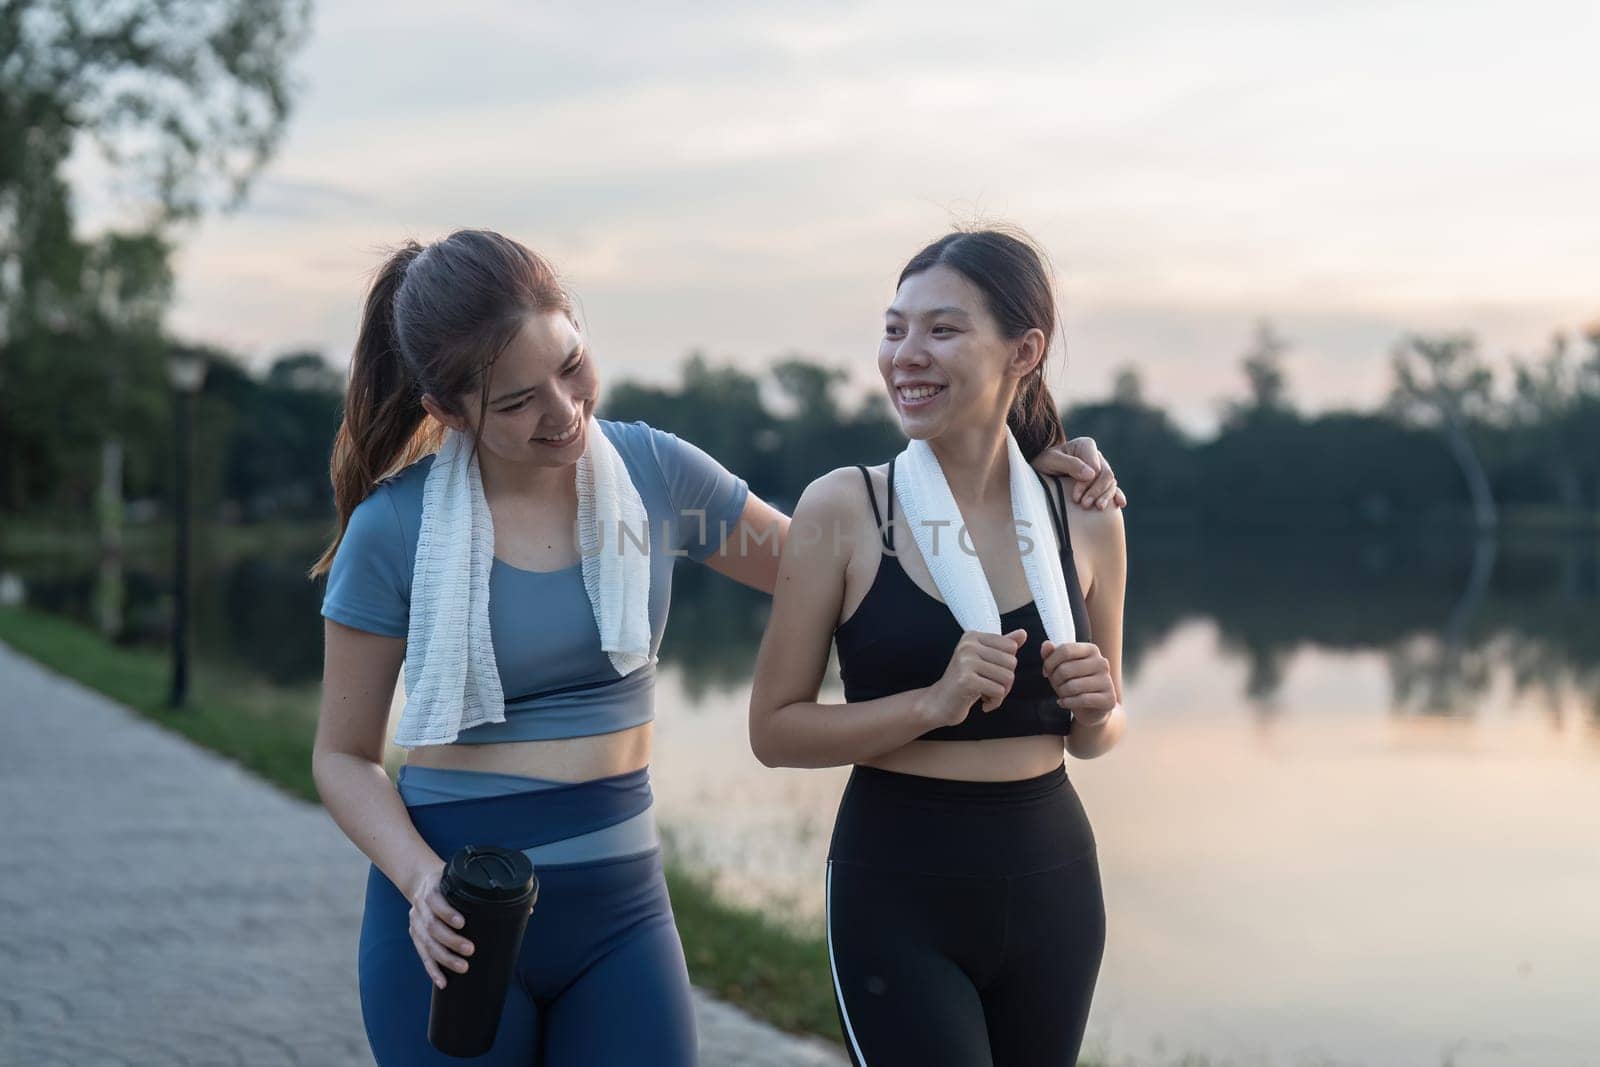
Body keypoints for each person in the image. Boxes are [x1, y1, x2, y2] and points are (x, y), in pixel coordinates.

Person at [309, 228, 1124, 1065]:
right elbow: (342, 756)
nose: (563, 412)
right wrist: (418, 881)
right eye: (515, 403)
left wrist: (1030, 479)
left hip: (621, 918)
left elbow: (859, 568)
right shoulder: (394, 529)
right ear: (446, 411)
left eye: (570, 366)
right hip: (462, 914)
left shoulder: (656, 474)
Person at [748, 228, 1127, 1067]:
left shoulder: (1086, 515)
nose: (905, 356)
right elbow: (773, 730)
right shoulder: (844, 509)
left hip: (1055, 881)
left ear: (1023, 351)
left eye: (941, 330)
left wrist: (1101, 705)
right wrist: (931, 704)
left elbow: (1100, 734)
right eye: (894, 329)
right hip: (898, 885)